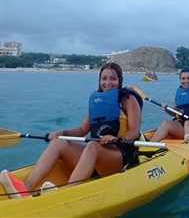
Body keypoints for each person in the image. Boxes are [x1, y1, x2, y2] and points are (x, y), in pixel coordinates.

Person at [0, 62, 143, 198]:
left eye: (113, 78)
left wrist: (118, 139)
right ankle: (26, 186)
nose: (108, 82)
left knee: (93, 145)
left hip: (120, 157)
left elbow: (134, 131)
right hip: (98, 157)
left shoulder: (128, 100)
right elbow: (82, 129)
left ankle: (67, 194)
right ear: (99, 80)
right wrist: (62, 133)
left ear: (120, 80)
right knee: (58, 142)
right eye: (104, 78)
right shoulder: (97, 102)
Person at [151, 66, 189, 142]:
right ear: (180, 80)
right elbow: (175, 113)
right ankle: (149, 145)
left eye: (188, 78)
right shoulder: (179, 94)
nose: (186, 81)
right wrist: (167, 110)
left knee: (188, 123)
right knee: (166, 123)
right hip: (183, 125)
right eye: (183, 78)